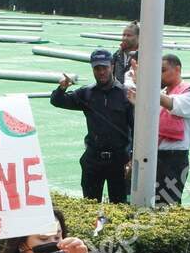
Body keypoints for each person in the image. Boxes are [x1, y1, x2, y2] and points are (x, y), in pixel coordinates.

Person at [50, 50, 134, 204]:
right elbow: (58, 101)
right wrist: (62, 88)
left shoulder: (125, 95)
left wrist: (132, 158)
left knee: (120, 206)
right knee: (90, 205)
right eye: (97, 68)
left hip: (119, 161)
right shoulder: (86, 93)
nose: (101, 72)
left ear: (112, 66)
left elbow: (136, 128)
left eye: (104, 67)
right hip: (93, 159)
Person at [134, 54, 190, 208]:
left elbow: (171, 104)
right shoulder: (164, 94)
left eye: (162, 70)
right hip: (154, 155)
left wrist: (146, 86)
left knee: (167, 205)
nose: (159, 75)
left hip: (174, 160)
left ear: (177, 69)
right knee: (148, 204)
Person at [112, 21, 140, 89]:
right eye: (124, 35)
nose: (125, 38)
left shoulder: (144, 56)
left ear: (139, 37)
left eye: (129, 35)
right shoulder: (117, 55)